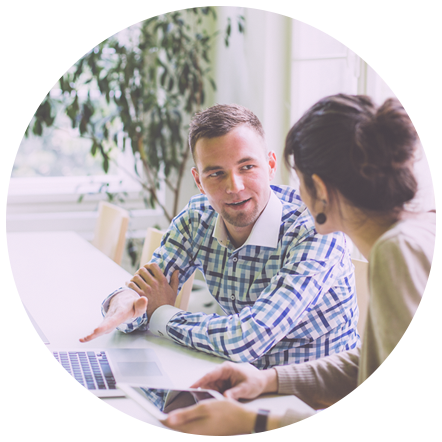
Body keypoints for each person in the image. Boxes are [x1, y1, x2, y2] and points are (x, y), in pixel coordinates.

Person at [161, 94, 436, 436]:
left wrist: (255, 421)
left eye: (299, 181)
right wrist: (269, 380)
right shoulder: (412, 235)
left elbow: (405, 428)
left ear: (318, 188)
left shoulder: (398, 253)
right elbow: (372, 367)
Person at [80, 104, 359, 379]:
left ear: (271, 165)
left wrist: (162, 314)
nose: (234, 187)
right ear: (199, 181)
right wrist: (125, 301)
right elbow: (145, 296)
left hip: (312, 396)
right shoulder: (197, 218)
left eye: (247, 167)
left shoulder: (317, 228)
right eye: (216, 174)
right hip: (239, 385)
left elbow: (247, 339)